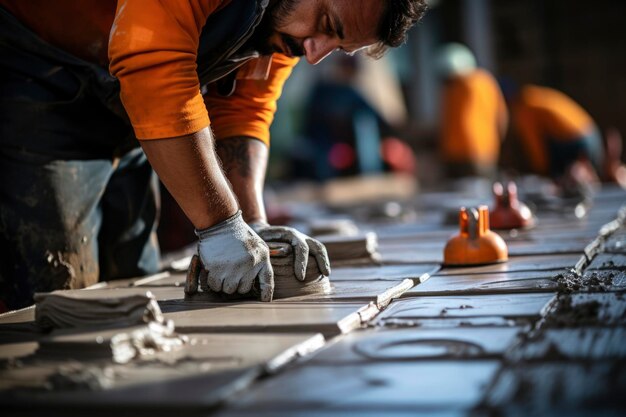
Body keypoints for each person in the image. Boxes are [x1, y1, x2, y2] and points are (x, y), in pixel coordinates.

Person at [0, 0, 427, 311]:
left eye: (337, 46)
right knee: (59, 299)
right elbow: (153, 62)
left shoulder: (288, 29)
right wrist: (222, 225)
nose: (315, 54)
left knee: (132, 284)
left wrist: (251, 223)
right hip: (38, 69)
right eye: (326, 25)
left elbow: (245, 110)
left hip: (128, 101)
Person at [503, 82, 604, 190]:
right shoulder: (534, 96)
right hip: (592, 133)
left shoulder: (523, 109)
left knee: (565, 179)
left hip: (576, 141)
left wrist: (543, 172)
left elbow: (535, 147)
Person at [436, 43, 508, 179]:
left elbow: (447, 122)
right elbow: (501, 118)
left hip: (464, 155)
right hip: (484, 151)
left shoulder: (457, 86)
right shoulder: (486, 81)